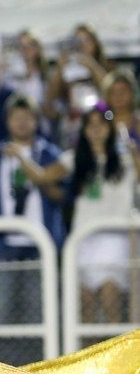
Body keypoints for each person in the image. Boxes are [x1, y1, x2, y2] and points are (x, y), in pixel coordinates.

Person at [13, 103, 140, 323]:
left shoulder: (127, 159)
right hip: (84, 239)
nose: (96, 129)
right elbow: (42, 176)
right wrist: (21, 157)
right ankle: (90, 358)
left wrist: (133, 150)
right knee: (86, 305)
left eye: (101, 124)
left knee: (111, 299)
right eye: (90, 125)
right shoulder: (74, 159)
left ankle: (115, 358)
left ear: (110, 128)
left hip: (116, 239)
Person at [0, 94, 66, 324]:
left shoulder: (50, 154)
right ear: (7, 120)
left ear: (36, 121)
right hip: (1, 244)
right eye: (16, 117)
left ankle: (41, 359)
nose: (21, 122)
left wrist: (31, 168)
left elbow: (62, 196)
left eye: (27, 117)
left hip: (41, 245)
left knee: (40, 313)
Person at [45, 24, 110, 149]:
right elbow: (50, 101)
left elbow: (110, 89)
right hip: (73, 128)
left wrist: (92, 66)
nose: (82, 45)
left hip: (99, 122)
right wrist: (59, 70)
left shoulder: (106, 67)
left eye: (87, 40)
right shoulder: (65, 72)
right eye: (78, 41)